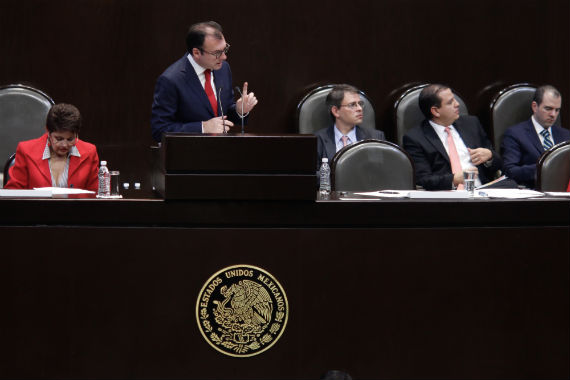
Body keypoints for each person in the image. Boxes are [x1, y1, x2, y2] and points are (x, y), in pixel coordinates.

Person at [151, 21, 258, 142]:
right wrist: (202, 127)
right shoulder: (171, 80)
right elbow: (159, 130)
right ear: (196, 52)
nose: (224, 57)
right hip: (188, 154)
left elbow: (224, 112)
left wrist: (239, 110)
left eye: (225, 49)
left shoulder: (223, 68)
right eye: (217, 53)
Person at [403, 84, 502, 190]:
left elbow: (499, 165)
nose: (457, 104)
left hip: (483, 191)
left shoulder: (472, 124)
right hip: (447, 196)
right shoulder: (415, 139)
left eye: (454, 99)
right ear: (435, 111)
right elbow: (423, 180)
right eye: (450, 102)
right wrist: (454, 179)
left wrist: (490, 156)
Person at [5, 103, 99, 191]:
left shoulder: (89, 152)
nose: (64, 145)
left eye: (70, 139)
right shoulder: (26, 150)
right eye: (59, 139)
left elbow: (97, 194)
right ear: (48, 132)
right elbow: (13, 193)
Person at [501, 85, 570, 189]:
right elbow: (510, 171)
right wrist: (546, 168)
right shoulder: (515, 134)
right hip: (534, 193)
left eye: (557, 110)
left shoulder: (566, 135)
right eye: (548, 108)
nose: (553, 114)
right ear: (534, 106)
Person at [315, 84, 385, 163]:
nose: (359, 108)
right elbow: (315, 173)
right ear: (336, 111)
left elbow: (380, 171)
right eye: (352, 105)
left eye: (360, 104)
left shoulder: (375, 138)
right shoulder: (318, 140)